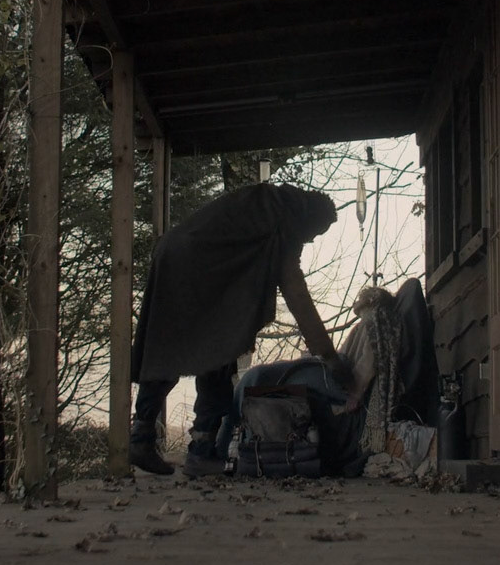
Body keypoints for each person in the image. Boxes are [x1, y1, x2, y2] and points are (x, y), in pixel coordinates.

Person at [128, 181, 354, 476]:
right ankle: (201, 451)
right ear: (308, 219)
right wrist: (329, 356)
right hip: (199, 269)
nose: (310, 240)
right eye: (314, 233)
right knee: (219, 356)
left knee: (165, 350)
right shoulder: (282, 223)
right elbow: (297, 295)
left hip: (174, 253)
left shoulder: (263, 199)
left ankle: (141, 436)